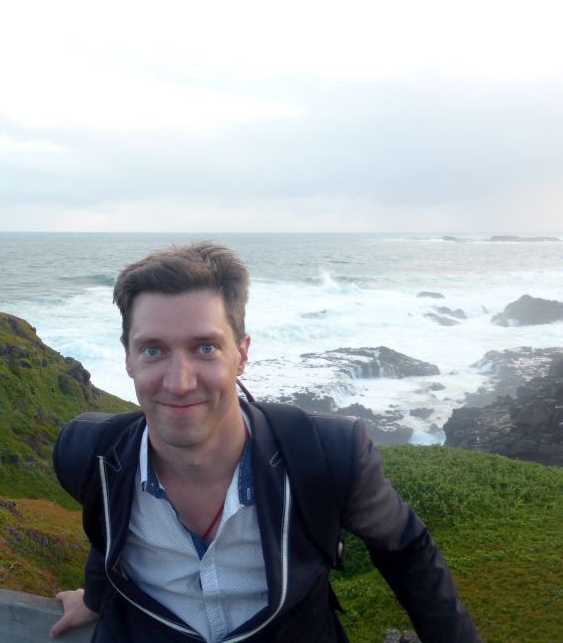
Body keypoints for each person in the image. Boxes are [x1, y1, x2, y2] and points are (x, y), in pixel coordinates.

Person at [50, 242, 481, 642]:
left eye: (204, 348)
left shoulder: (330, 455)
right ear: (127, 357)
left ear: (242, 353)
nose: (179, 383)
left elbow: (406, 550)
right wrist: (94, 596)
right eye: (152, 351)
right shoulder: (88, 455)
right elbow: (106, 523)